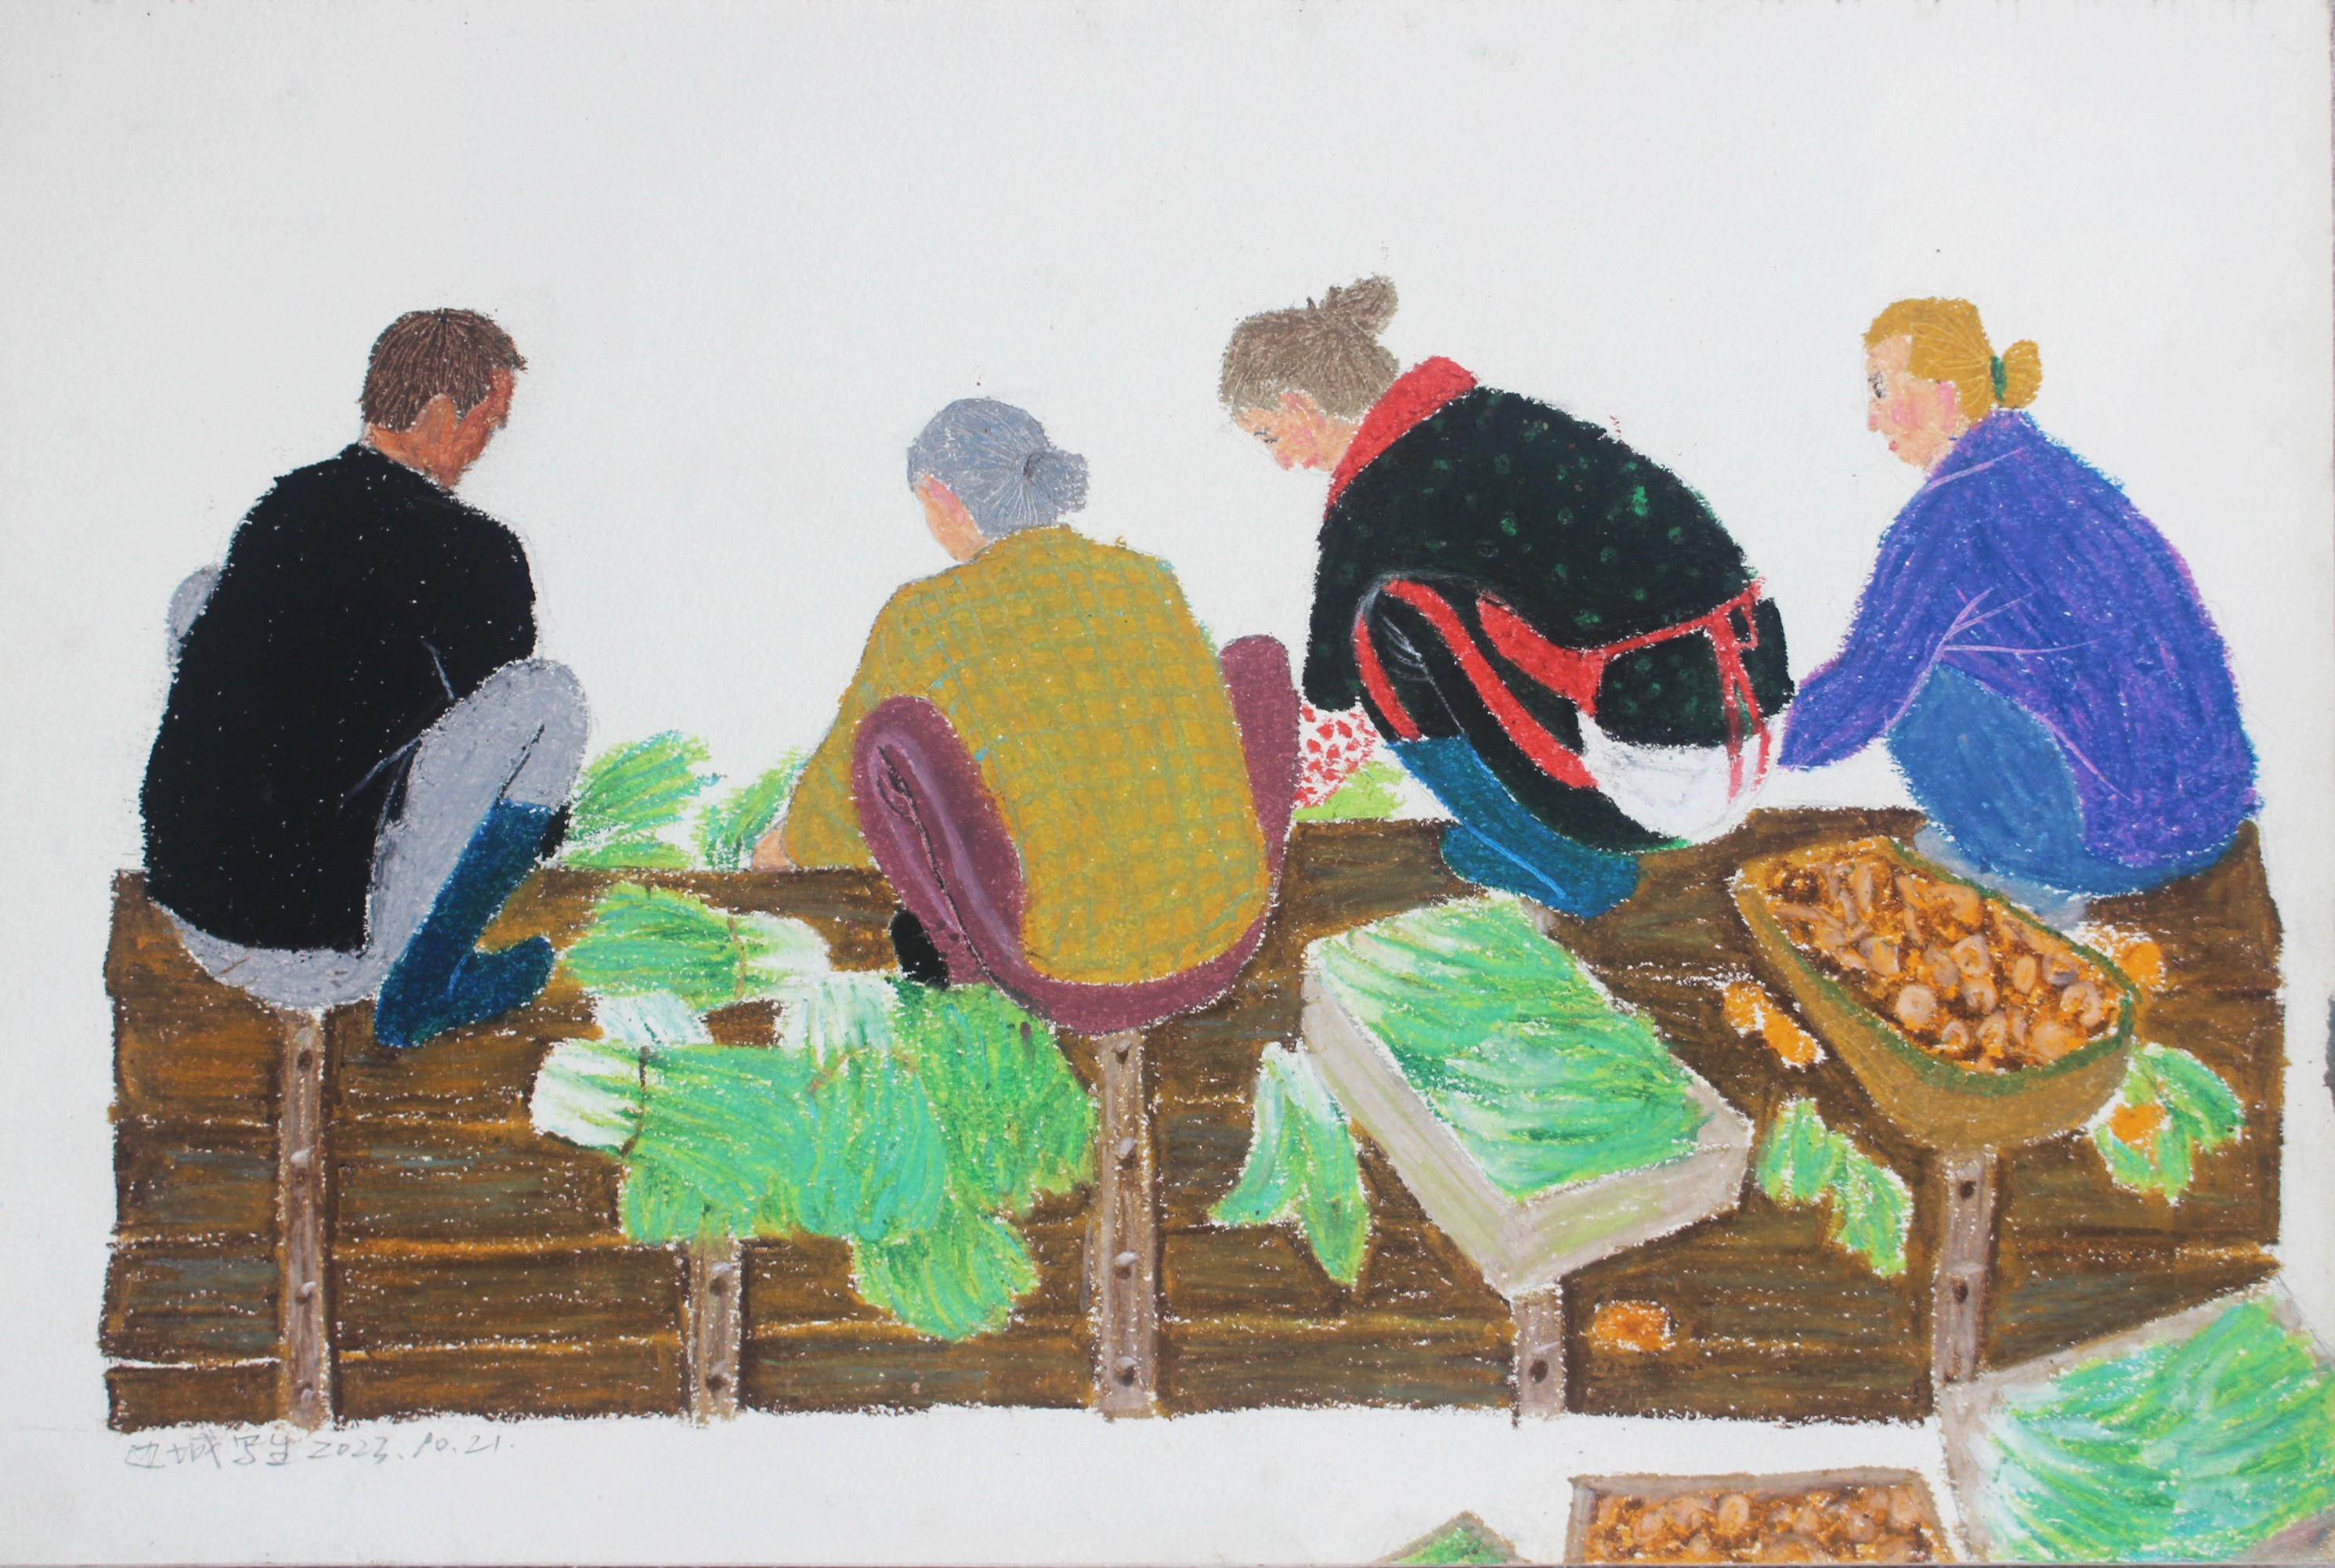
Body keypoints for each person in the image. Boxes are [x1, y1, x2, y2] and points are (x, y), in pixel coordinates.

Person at [1222, 277, 1794, 917]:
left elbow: (1329, 686)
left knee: (1387, 617)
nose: (1280, 461)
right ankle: (1556, 832)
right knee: (1466, 603)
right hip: (1748, 741)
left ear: (1301, 407)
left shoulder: (1371, 499)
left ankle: (1563, 866)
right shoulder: (1503, 417)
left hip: (1650, 795)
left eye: (1268, 435)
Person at [757, 399, 1294, 1032]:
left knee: (890, 732)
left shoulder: (922, 616)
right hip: (1225, 939)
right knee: (1255, 661)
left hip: (1063, 975)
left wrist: (781, 851)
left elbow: (841, 810)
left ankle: (962, 964)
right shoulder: (1144, 579)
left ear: (941, 498)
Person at [142, 309, 587, 1048]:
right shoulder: (479, 553)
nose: (487, 443)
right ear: (441, 414)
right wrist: (540, 836)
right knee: (551, 699)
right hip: (331, 953)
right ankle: (424, 987)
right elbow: (499, 767)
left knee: (205, 593)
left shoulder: (283, 508)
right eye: (487, 422)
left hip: (198, 919)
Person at [1779, 298, 2256, 908]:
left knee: (1916, 690)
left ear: (1946, 395)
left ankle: (2023, 873)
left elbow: (1861, 694)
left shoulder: (1951, 514)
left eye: (1882, 390)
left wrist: (1736, 753)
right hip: (2204, 828)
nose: (1873, 420)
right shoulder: (2055, 477)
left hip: (2104, 852)